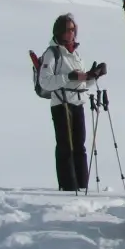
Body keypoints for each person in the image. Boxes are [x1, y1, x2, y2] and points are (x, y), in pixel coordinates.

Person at [38, 13, 107, 191]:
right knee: (65, 147)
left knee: (80, 147)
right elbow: (45, 81)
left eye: (73, 29)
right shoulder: (52, 53)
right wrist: (69, 76)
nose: (72, 33)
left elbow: (80, 83)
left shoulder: (74, 53)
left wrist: (93, 75)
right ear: (60, 31)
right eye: (69, 29)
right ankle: (68, 187)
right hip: (61, 104)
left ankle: (82, 186)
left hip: (77, 103)